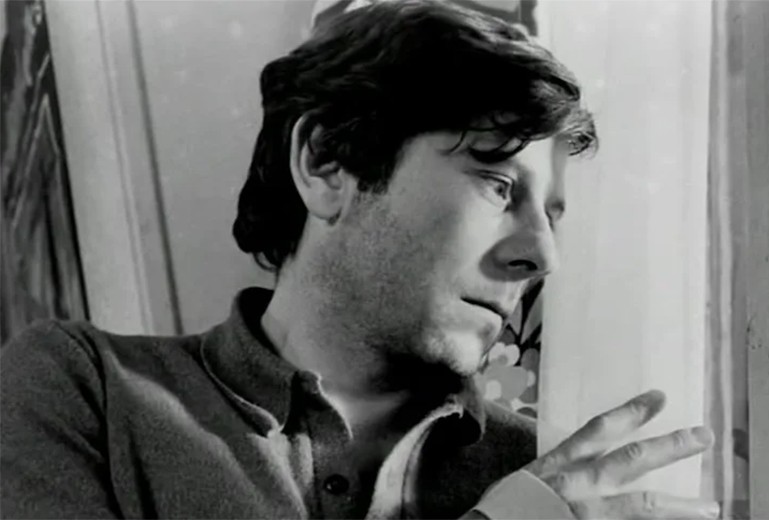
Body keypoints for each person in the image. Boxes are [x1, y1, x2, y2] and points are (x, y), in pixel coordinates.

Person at [0, 1, 720, 518]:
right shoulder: (84, 390)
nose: (542, 255)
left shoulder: (550, 478)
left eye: (553, 216)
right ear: (327, 163)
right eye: (498, 184)